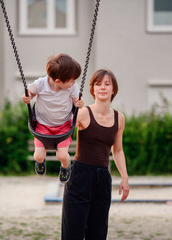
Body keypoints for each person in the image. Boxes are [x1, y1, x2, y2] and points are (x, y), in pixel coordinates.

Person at [61, 69, 130, 240]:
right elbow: (62, 130)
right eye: (98, 84)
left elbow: (118, 150)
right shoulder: (83, 112)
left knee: (98, 233)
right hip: (79, 177)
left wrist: (125, 177)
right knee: (73, 233)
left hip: (102, 179)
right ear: (92, 89)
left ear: (114, 89)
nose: (102, 88)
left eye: (107, 84)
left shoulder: (119, 118)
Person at [22, 53, 84, 183]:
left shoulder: (71, 87)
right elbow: (30, 93)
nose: (74, 83)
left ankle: (66, 167)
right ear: (58, 81)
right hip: (42, 125)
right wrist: (26, 97)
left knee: (62, 155)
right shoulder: (41, 84)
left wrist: (79, 103)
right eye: (72, 80)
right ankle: (40, 162)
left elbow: (76, 100)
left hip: (64, 126)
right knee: (38, 156)